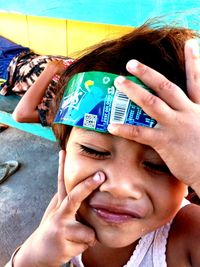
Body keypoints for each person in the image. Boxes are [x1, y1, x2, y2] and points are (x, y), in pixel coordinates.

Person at [5, 20, 200, 267]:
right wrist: (32, 259)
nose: (119, 187)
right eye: (93, 150)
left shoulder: (190, 236)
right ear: (64, 151)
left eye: (159, 165)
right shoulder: (62, 213)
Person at [0, 51, 73, 126]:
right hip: (24, 55)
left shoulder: (72, 109)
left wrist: (51, 69)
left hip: (11, 68)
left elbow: (21, 114)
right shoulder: (83, 75)